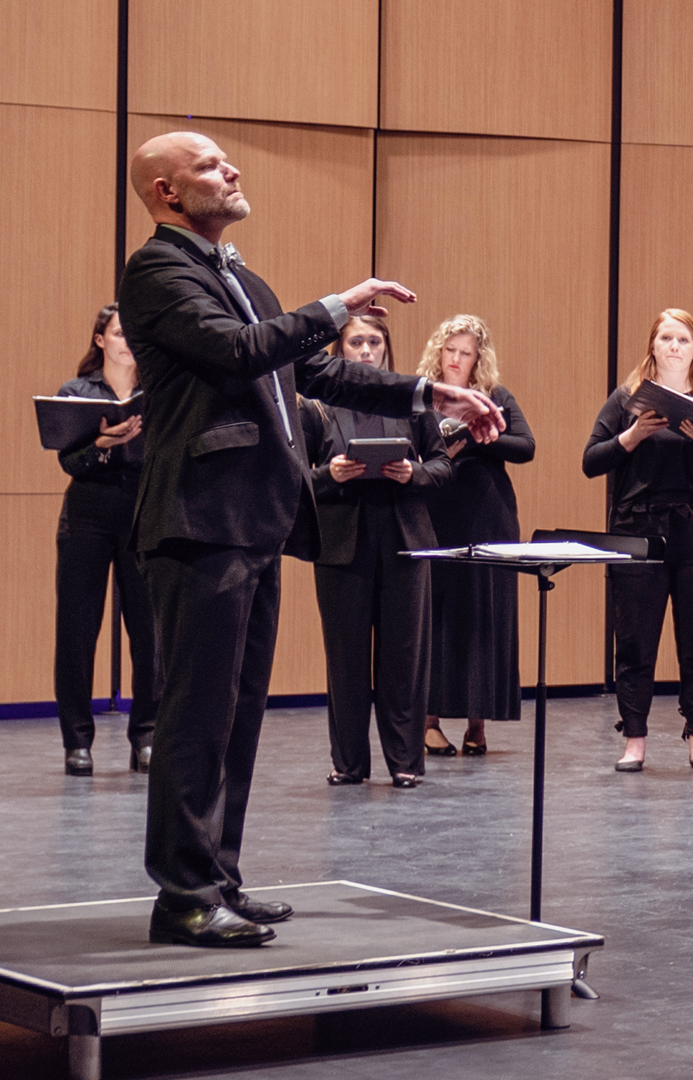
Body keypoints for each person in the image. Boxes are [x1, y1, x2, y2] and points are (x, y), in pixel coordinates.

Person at [119, 131, 503, 948]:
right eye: (210, 166)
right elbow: (238, 353)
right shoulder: (158, 271)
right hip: (198, 522)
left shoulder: (241, 277)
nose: (232, 170)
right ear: (167, 191)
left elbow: (313, 373)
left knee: (239, 715)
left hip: (255, 523)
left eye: (229, 160)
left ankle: (219, 877)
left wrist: (429, 391)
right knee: (197, 715)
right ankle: (182, 896)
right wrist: (335, 306)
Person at [583, 309, 693, 772]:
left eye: (684, 340)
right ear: (652, 346)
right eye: (667, 338)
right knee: (635, 642)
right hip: (640, 533)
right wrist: (633, 435)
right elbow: (591, 461)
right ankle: (634, 740)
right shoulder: (626, 398)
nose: (675, 347)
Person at [298, 315, 450, 790]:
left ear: (387, 348)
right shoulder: (316, 406)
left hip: (405, 539)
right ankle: (348, 764)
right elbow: (294, 477)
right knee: (344, 659)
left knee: (404, 656)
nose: (366, 350)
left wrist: (415, 474)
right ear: (340, 350)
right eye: (356, 342)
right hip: (342, 542)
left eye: (375, 342)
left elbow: (443, 464)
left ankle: (406, 762)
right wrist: (330, 475)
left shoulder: (410, 401)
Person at [419, 315, 535, 757]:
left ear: (477, 360)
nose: (455, 359)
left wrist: (480, 432)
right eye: (450, 350)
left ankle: (477, 724)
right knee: (436, 615)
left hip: (489, 515)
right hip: (436, 513)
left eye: (465, 353)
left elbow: (526, 447)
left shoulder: (496, 397)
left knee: (485, 618)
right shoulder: (424, 395)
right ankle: (428, 720)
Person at [53, 303, 159, 777]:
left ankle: (147, 737)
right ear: (100, 340)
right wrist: (101, 444)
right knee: (77, 631)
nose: (126, 342)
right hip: (88, 515)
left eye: (133, 334)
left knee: (149, 632)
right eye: (118, 333)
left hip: (142, 513)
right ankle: (77, 742)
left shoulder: (157, 392)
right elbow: (68, 462)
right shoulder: (77, 392)